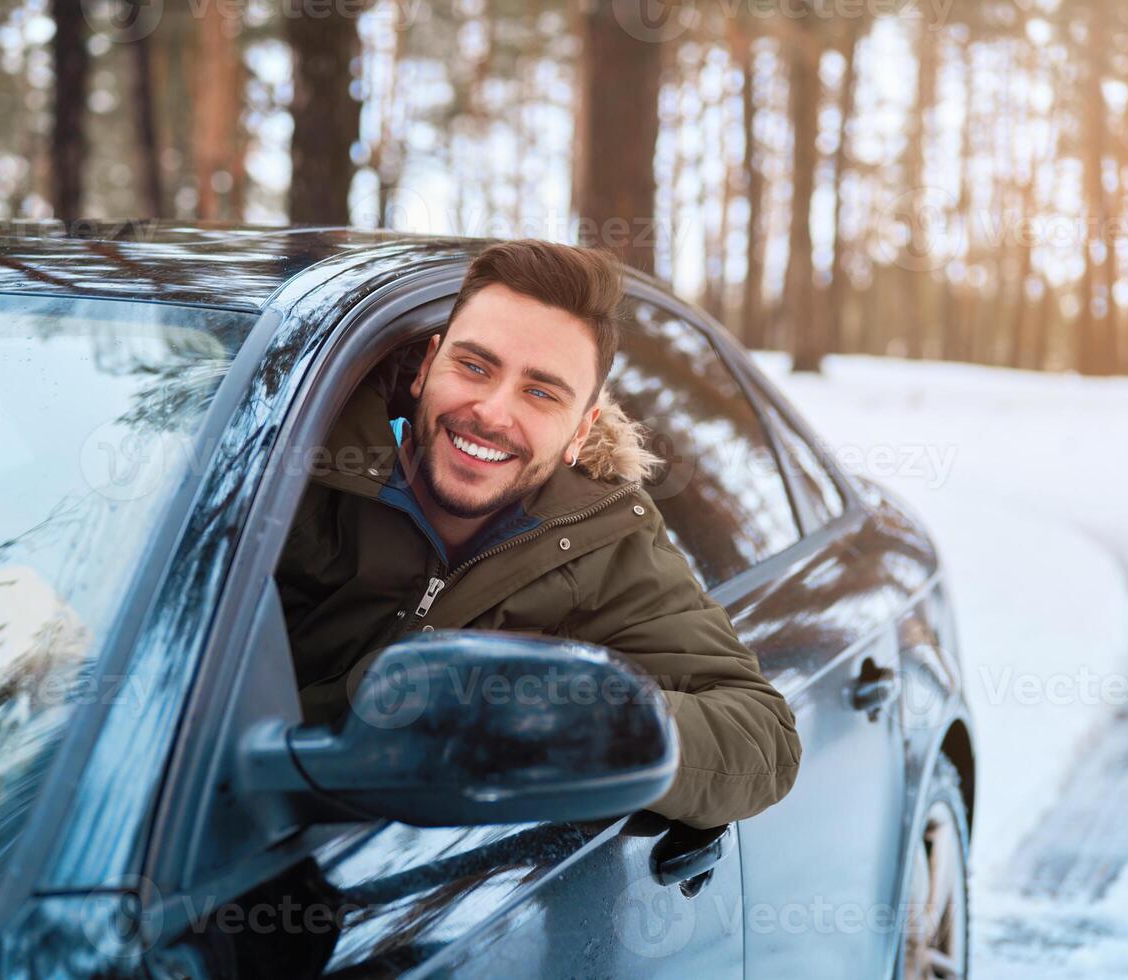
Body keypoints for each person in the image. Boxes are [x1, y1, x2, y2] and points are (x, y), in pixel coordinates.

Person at [274, 239, 800, 828]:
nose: (494, 413)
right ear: (427, 367)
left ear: (581, 431)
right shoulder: (287, 463)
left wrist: (561, 719)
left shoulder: (606, 542)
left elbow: (761, 738)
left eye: (541, 392)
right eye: (475, 366)